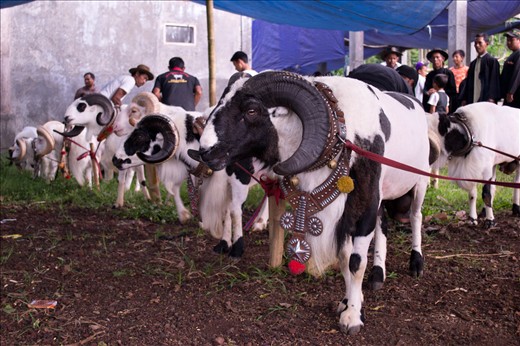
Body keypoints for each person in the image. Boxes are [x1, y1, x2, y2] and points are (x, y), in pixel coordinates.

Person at [459, 33, 501, 106]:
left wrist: (492, 98)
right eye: (475, 43)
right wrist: (464, 98)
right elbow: (468, 82)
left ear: (486, 44)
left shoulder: (492, 61)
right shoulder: (473, 64)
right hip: (472, 99)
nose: (477, 45)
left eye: (480, 43)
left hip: (486, 100)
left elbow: (494, 81)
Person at [501, 28, 520, 108]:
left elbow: (518, 73)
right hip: (509, 95)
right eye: (507, 40)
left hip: (515, 95)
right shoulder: (512, 55)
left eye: (511, 40)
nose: (508, 42)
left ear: (519, 40)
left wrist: (511, 92)